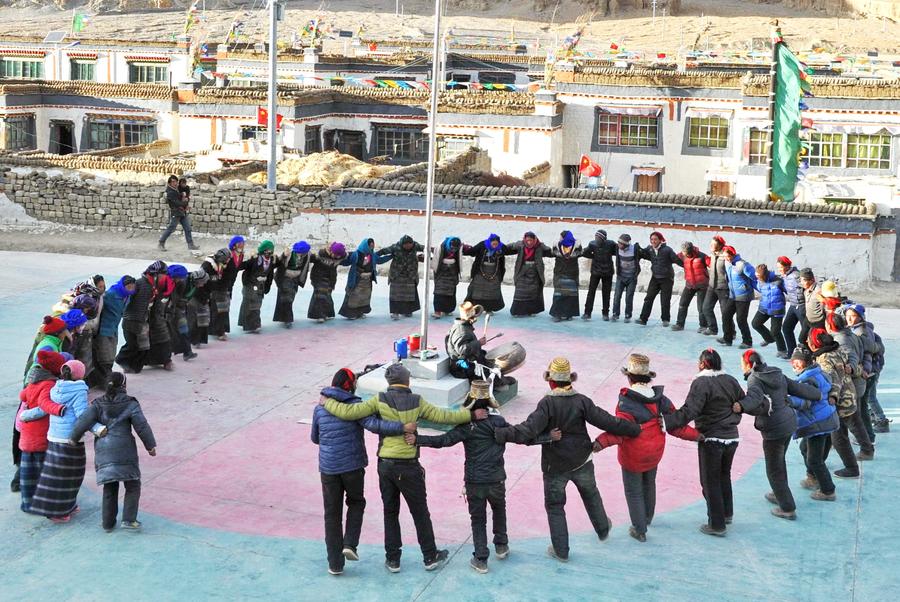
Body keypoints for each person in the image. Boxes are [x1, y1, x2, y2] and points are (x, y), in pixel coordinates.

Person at [320, 363, 481, 573]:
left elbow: (349, 412)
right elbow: (444, 416)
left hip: (385, 465)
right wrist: (471, 415)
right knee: (420, 512)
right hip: (409, 466)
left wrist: (328, 402)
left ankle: (393, 559)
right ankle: (430, 556)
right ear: (407, 381)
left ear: (388, 381)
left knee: (390, 512)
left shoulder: (379, 400)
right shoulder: (417, 401)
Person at [493, 357, 641, 561]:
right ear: (570, 379)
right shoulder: (581, 401)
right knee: (591, 494)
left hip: (555, 466)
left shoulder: (547, 404)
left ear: (551, 381)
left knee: (555, 507)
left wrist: (500, 434)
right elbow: (608, 421)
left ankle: (561, 551)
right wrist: (634, 429)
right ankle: (603, 529)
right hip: (582, 459)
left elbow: (527, 431)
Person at [406, 380, 560, 574]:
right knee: (499, 509)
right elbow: (522, 437)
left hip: (475, 481)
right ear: (489, 402)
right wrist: (548, 437)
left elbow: (443, 440)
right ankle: (501, 545)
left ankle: (481, 558)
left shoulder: (466, 426)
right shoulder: (499, 423)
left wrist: (418, 440)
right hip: (496, 479)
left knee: (478, 519)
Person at [311, 368, 412, 576]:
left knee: (332, 514)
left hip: (329, 469)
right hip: (353, 466)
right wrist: (401, 427)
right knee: (356, 502)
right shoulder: (356, 406)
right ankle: (350, 543)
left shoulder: (320, 408)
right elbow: (375, 425)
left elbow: (315, 438)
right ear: (350, 385)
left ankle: (335, 564)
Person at [593, 354, 702, 542]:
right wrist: (697, 435)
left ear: (629, 377)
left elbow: (621, 430)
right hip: (655, 452)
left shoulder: (626, 402)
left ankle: (639, 529)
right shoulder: (661, 399)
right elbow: (676, 424)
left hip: (633, 455)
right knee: (649, 483)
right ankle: (648, 517)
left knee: (633, 491)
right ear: (648, 377)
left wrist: (600, 442)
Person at [664, 348, 747, 536]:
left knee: (710, 481)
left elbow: (690, 410)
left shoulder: (701, 383)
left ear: (702, 364)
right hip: (732, 437)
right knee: (724, 475)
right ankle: (726, 513)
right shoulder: (730, 380)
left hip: (711, 438)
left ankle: (716, 524)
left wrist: (667, 422)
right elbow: (744, 400)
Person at [734, 350, 819, 521]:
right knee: (779, 462)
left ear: (748, 364)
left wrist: (740, 406)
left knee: (774, 469)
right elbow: (797, 388)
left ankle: (787, 507)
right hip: (789, 422)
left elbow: (754, 399)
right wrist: (816, 394)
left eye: (742, 364)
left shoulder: (754, 379)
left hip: (774, 428)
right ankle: (779, 493)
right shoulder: (776, 373)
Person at [70, 372, 157, 532]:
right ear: (123, 385)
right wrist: (150, 446)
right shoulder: (131, 404)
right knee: (132, 484)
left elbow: (83, 421)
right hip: (125, 451)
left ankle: (108, 523)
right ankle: (129, 520)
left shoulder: (97, 404)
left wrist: (73, 438)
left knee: (109, 486)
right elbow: (142, 426)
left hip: (104, 451)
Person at [29, 360, 90, 523]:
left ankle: (67, 506)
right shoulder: (80, 390)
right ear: (80, 374)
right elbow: (83, 415)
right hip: (71, 439)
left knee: (57, 475)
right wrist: (98, 427)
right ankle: (58, 511)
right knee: (72, 475)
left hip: (54, 438)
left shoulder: (55, 387)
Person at [806, 328, 872, 479]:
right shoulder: (838, 350)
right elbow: (853, 366)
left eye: (808, 340)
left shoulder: (824, 359)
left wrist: (832, 398)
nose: (806, 342)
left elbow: (832, 381)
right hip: (850, 395)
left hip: (839, 402)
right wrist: (855, 370)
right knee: (855, 425)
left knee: (839, 438)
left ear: (814, 344)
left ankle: (851, 468)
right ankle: (867, 450)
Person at [16, 350, 66, 512]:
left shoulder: (33, 382)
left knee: (27, 471)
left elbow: (23, 396)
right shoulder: (49, 385)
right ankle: (42, 504)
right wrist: (59, 408)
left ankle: (27, 503)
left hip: (27, 434)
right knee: (42, 472)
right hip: (41, 434)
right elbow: (44, 407)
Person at [787, 347, 839, 502]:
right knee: (805, 449)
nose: (794, 364)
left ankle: (828, 490)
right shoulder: (818, 372)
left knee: (814, 459)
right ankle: (813, 476)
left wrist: (788, 400)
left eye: (798, 361)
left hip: (818, 423)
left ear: (806, 362)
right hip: (827, 418)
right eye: (793, 361)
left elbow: (806, 402)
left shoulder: (808, 380)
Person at [825, 312, 873, 461]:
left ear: (830, 325)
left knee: (853, 421)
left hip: (851, 386)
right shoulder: (849, 334)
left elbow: (851, 357)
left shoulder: (841, 340)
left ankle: (866, 450)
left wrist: (851, 368)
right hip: (856, 384)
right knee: (853, 420)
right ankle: (861, 447)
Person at [845, 304, 889, 433]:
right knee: (867, 397)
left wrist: (866, 370)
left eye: (853, 316)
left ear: (860, 317)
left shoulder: (861, 333)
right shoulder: (855, 329)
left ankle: (881, 420)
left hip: (870, 370)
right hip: (869, 368)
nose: (849, 319)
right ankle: (874, 417)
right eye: (847, 316)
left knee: (870, 397)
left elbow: (868, 353)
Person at [116, 261, 166, 374]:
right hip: (131, 320)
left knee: (143, 346)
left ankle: (135, 366)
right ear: (156, 274)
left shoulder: (153, 285)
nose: (164, 277)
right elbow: (127, 299)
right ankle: (122, 360)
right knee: (132, 345)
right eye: (163, 274)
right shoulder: (139, 283)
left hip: (142, 320)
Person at [94, 276, 135, 387]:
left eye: (132, 287)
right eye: (128, 287)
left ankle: (106, 380)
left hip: (113, 330)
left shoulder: (127, 296)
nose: (131, 289)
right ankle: (106, 382)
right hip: (104, 330)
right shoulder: (110, 295)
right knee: (105, 358)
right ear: (122, 286)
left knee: (111, 356)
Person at [636, 231, 682, 326]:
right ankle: (643, 319)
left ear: (660, 240)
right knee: (648, 298)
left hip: (667, 278)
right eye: (651, 239)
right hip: (655, 277)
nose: (653, 241)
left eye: (655, 239)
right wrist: (637, 249)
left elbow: (676, 260)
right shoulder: (650, 249)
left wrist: (688, 265)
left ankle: (665, 320)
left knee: (665, 300)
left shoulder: (667, 250)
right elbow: (643, 254)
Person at [339, 238, 389, 320]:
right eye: (370, 246)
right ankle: (350, 314)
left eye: (373, 246)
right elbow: (346, 261)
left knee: (363, 297)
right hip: (356, 279)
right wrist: (337, 259)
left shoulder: (372, 255)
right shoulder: (356, 254)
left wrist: (391, 256)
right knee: (353, 296)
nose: (371, 248)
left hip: (367, 281)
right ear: (365, 245)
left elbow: (380, 260)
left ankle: (360, 312)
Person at [378, 235, 425, 320]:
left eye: (410, 244)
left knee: (409, 294)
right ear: (402, 244)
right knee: (396, 295)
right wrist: (374, 255)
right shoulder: (396, 247)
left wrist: (434, 251)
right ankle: (395, 312)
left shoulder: (415, 246)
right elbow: (384, 251)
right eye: (406, 244)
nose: (408, 246)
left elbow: (425, 248)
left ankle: (407, 311)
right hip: (397, 274)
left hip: (410, 274)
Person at [210, 237, 248, 341]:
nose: (242, 246)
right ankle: (219, 332)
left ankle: (219, 329)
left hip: (229, 286)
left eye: (243, 244)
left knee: (224, 309)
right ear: (234, 245)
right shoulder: (227, 256)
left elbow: (238, 267)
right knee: (220, 309)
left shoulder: (240, 256)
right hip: (220, 286)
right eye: (240, 244)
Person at [717, 246, 755, 349]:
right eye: (725, 256)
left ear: (733, 254)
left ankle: (747, 341)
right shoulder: (727, 263)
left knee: (741, 319)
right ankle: (727, 338)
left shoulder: (742, 264)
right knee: (726, 315)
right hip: (733, 295)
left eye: (728, 256)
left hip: (744, 295)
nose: (726, 258)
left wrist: (762, 289)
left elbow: (755, 278)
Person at [508, 231, 551, 317]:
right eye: (527, 240)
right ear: (525, 239)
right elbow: (509, 246)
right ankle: (517, 311)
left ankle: (531, 311)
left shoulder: (539, 246)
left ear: (534, 239)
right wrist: (499, 247)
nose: (529, 242)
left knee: (533, 293)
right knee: (520, 292)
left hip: (535, 271)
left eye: (531, 240)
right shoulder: (520, 244)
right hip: (522, 271)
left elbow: (549, 250)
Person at [238, 240, 277, 333]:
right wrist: (240, 256)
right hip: (250, 284)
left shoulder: (271, 260)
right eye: (267, 250)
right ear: (263, 250)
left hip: (260, 285)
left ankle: (247, 323)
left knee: (256, 304)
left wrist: (268, 286)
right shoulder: (255, 259)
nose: (269, 253)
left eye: (271, 251)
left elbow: (271, 273)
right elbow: (241, 266)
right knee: (249, 304)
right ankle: (252, 325)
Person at [463, 233, 507, 313]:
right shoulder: (482, 245)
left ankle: (489, 309)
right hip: (480, 272)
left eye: (496, 244)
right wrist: (462, 248)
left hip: (494, 272)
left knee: (491, 292)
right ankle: (476, 307)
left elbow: (510, 250)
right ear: (490, 242)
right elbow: (472, 252)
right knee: (477, 290)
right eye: (493, 244)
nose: (495, 246)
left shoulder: (501, 247)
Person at [751, 264, 788, 358]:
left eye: (759, 276)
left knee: (775, 331)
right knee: (755, 324)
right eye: (757, 276)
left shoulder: (778, 281)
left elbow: (788, 290)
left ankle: (782, 350)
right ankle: (769, 338)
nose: (758, 278)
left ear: (765, 275)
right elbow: (758, 288)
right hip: (764, 307)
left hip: (777, 309)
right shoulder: (759, 281)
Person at [273, 242, 311, 328]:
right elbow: (278, 262)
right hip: (285, 278)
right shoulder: (289, 254)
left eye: (303, 253)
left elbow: (317, 258)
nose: (301, 255)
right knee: (287, 298)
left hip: (295, 279)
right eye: (300, 253)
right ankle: (288, 319)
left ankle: (283, 317)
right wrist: (283, 255)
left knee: (289, 298)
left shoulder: (307, 255)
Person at [580, 229, 616, 321]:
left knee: (606, 294)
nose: (597, 239)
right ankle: (587, 313)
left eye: (599, 238)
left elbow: (618, 252)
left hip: (608, 272)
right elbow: (585, 252)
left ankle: (605, 313)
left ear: (604, 239)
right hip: (595, 272)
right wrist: (593, 256)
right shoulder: (592, 244)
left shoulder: (611, 244)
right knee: (591, 292)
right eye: (596, 237)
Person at [673, 241, 709, 332]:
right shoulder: (682, 255)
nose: (685, 254)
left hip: (702, 285)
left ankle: (703, 326)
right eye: (684, 252)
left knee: (701, 307)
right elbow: (674, 258)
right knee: (682, 304)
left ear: (692, 250)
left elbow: (712, 264)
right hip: (689, 285)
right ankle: (679, 324)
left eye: (687, 253)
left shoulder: (702, 256)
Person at [158, 174, 198, 252]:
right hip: (176, 213)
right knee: (171, 228)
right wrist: (185, 203)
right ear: (169, 183)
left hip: (182, 212)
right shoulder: (170, 192)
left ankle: (190, 245)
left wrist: (185, 200)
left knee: (187, 228)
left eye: (176, 181)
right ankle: (161, 243)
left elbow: (183, 196)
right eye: (173, 182)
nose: (175, 183)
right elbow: (176, 203)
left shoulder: (176, 189)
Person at [308, 242, 347, 323]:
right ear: (331, 251)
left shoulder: (341, 256)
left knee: (327, 295)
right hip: (318, 277)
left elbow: (348, 258)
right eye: (336, 255)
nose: (337, 257)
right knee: (320, 295)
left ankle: (327, 314)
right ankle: (319, 315)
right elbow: (310, 258)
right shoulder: (321, 255)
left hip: (330, 278)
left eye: (338, 256)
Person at [145, 270, 175, 370]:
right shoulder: (151, 285)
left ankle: (166, 360)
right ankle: (155, 360)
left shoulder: (167, 284)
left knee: (164, 338)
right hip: (153, 317)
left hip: (160, 317)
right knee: (153, 339)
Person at [549, 231, 582, 322]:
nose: (560, 239)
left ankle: (569, 313)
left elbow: (581, 253)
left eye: (561, 237)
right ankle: (557, 314)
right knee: (558, 295)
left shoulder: (576, 247)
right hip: (560, 273)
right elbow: (552, 253)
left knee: (571, 296)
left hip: (572, 274)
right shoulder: (557, 246)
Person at [701, 235, 729, 337]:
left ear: (720, 245)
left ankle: (731, 332)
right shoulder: (712, 255)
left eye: (714, 244)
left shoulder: (725, 256)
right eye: (711, 243)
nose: (711, 246)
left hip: (723, 288)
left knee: (725, 312)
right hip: (711, 286)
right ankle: (713, 328)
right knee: (706, 308)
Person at [777, 257, 804, 353]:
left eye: (781, 267)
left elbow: (806, 286)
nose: (779, 270)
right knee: (786, 328)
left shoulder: (796, 275)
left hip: (801, 305)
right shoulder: (785, 276)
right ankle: (791, 352)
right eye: (778, 267)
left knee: (805, 331)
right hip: (793, 305)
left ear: (787, 266)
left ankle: (806, 353)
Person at [431, 237, 463, 319]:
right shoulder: (441, 247)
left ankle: (448, 310)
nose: (454, 250)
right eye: (452, 248)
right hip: (441, 271)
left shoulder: (459, 248)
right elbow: (436, 259)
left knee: (451, 292)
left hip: (453, 271)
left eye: (456, 249)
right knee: (439, 292)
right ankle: (437, 311)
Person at [612, 233, 640, 322]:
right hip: (621, 276)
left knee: (629, 297)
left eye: (621, 244)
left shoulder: (634, 249)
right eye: (618, 243)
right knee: (617, 296)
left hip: (631, 277)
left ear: (626, 244)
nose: (619, 245)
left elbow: (645, 254)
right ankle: (615, 314)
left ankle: (628, 315)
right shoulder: (617, 248)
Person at [799, 268, 823, 347]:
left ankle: (815, 353)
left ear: (811, 280)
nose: (801, 283)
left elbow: (825, 305)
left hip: (818, 322)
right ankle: (810, 352)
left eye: (803, 280)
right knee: (802, 339)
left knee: (817, 342)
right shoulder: (806, 289)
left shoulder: (818, 291)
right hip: (808, 319)